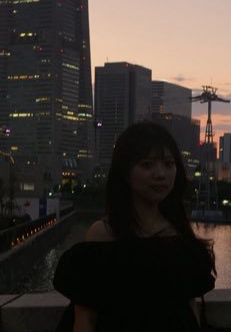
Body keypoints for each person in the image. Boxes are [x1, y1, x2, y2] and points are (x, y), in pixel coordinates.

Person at [53, 122, 216, 332]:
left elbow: (190, 310)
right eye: (147, 165)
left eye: (169, 164)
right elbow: (85, 320)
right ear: (125, 173)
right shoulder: (104, 235)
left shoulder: (178, 234)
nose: (161, 174)